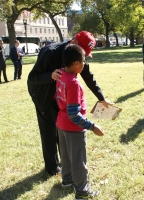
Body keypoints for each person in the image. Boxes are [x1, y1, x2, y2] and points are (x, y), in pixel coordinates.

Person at [27, 31, 112, 176]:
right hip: (44, 96)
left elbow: (89, 77)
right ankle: (52, 168)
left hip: (61, 99)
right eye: (83, 55)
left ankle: (64, 163)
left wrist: (102, 98)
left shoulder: (79, 57)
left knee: (62, 130)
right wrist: (51, 75)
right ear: (73, 43)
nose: (84, 60)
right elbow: (32, 78)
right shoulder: (50, 53)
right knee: (49, 132)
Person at [56, 44, 104, 199]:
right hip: (73, 128)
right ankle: (83, 192)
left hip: (61, 124)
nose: (85, 65)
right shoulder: (74, 83)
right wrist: (92, 126)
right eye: (83, 61)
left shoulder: (60, 73)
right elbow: (74, 115)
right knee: (78, 161)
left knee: (65, 155)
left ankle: (67, 180)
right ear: (76, 64)